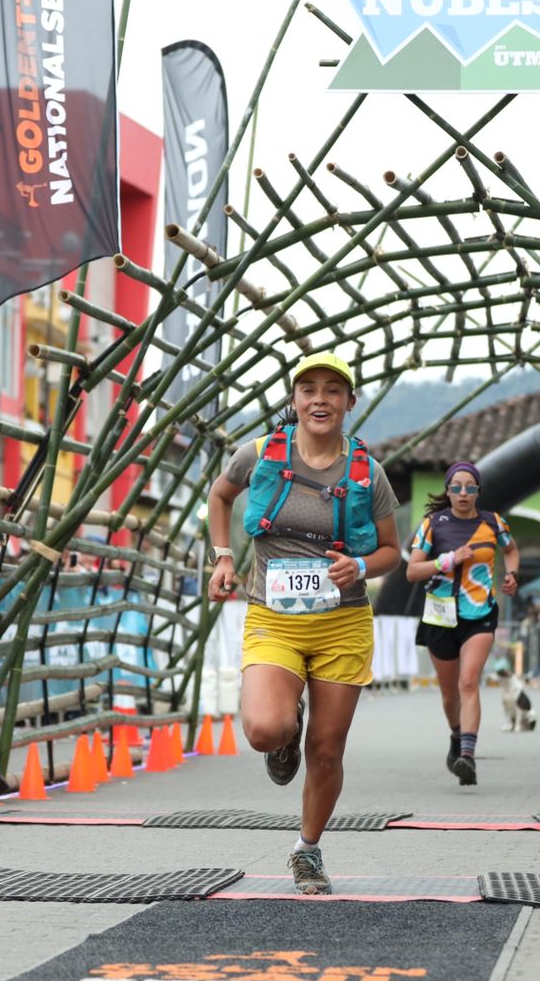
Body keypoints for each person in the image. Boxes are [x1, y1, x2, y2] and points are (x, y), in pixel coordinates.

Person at [204, 351, 400, 895]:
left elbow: (392, 551)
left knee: (328, 750)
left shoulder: (368, 472)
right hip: (275, 617)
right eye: (308, 389)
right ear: (294, 399)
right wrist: (223, 557)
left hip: (343, 623)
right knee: (265, 729)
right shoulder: (259, 453)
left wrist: (360, 566)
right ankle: (285, 730)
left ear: (349, 402)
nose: (320, 400)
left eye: (332, 391)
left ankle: (307, 850)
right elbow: (220, 495)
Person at [405, 461, 520, 785]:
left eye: (470, 487)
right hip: (440, 616)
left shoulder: (493, 522)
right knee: (449, 696)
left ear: (478, 491)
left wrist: (512, 575)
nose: (463, 493)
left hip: (479, 613)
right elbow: (412, 571)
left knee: (468, 682)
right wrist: (449, 560)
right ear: (448, 491)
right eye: (456, 487)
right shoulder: (433, 524)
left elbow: (511, 550)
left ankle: (467, 755)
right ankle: (456, 736)